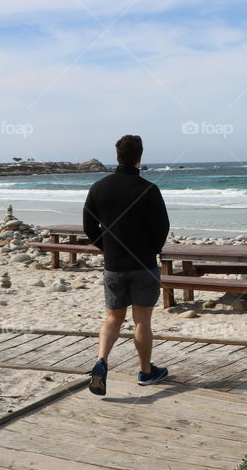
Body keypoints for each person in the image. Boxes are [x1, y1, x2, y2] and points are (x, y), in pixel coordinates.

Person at [83, 135, 170, 395]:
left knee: (113, 318)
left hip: (114, 265)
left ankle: (101, 360)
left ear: (117, 156)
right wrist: (151, 250)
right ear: (139, 157)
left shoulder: (99, 188)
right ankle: (145, 372)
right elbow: (161, 228)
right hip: (143, 264)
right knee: (142, 320)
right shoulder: (149, 189)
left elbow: (89, 226)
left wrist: (107, 247)